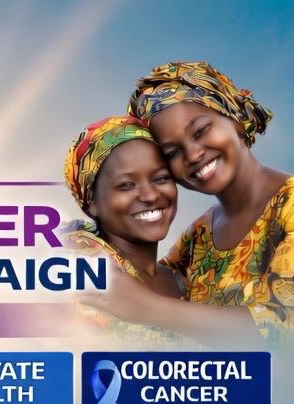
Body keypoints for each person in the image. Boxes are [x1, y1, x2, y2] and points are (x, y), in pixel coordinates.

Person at [90, 61, 292, 342]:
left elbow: (281, 330)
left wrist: (148, 309)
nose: (194, 154)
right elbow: (151, 280)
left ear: (232, 116)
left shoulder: (289, 205)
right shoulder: (198, 236)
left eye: (200, 131)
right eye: (172, 152)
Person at [63, 114, 180, 293]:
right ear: (91, 202)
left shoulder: (185, 278)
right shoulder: (83, 276)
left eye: (161, 178)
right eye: (126, 185)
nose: (150, 195)